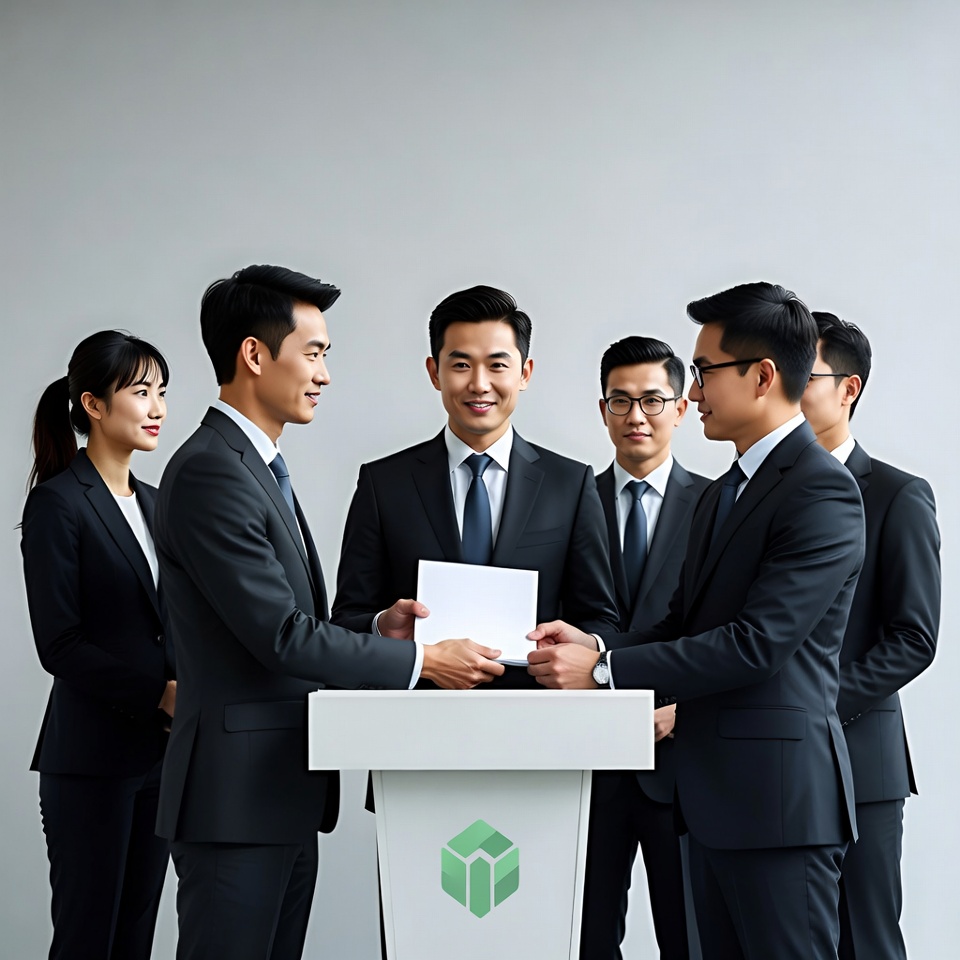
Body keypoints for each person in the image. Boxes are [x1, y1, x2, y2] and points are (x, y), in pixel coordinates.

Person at [153, 265, 502, 960]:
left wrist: (378, 629)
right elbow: (280, 635)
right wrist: (422, 660)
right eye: (313, 353)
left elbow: (284, 621)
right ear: (255, 355)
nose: (324, 374)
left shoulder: (253, 466)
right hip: (235, 801)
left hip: (278, 791)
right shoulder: (212, 471)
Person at [528, 282, 865, 960]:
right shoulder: (725, 496)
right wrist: (593, 642)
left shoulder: (822, 489)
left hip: (779, 814)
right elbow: (681, 627)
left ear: (763, 376)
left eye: (706, 371)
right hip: (712, 810)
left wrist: (601, 669)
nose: (696, 391)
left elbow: (756, 645)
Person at [332, 284, 618, 688]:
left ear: (525, 374)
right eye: (462, 365)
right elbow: (346, 620)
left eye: (497, 365)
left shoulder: (569, 484)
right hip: (413, 721)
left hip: (537, 719)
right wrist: (384, 627)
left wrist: (581, 649)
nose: (480, 384)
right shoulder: (384, 483)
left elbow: (599, 617)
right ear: (435, 372)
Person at [21, 330, 175, 960]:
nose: (158, 407)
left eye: (162, 392)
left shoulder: (161, 505)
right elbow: (60, 643)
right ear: (92, 404)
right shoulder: (58, 504)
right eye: (141, 392)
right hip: (89, 760)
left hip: (162, 758)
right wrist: (158, 693)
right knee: (88, 939)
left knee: (136, 936)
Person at [801, 311, 939, 960]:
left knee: (866, 942)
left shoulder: (897, 496)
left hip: (860, 761)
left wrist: (813, 706)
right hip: (766, 766)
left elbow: (914, 637)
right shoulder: (749, 496)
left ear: (847, 389)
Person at [583, 336, 708, 960]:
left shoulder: (720, 505)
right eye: (621, 400)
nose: (637, 415)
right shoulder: (565, 500)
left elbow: (729, 631)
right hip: (584, 765)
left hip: (683, 763)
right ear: (602, 409)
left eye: (653, 400)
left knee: (688, 938)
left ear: (681, 408)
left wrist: (684, 708)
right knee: (583, 938)